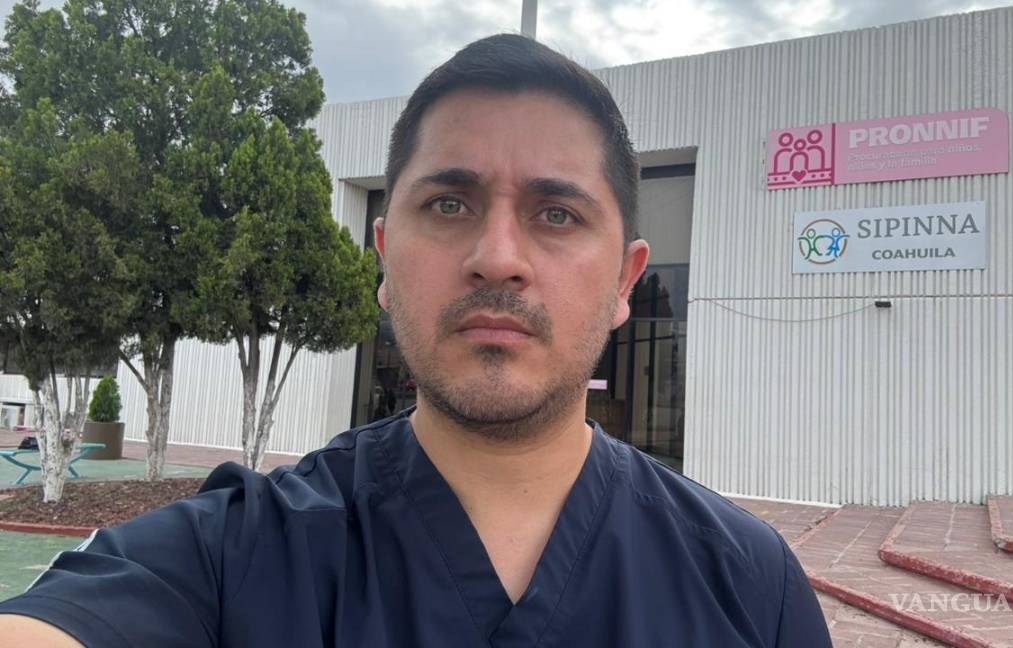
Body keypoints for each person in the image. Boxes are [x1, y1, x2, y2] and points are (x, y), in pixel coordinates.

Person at [0, 34, 831, 647]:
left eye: (556, 213)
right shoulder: (232, 558)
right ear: (386, 261)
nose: (497, 257)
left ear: (624, 280)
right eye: (449, 204)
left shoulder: (749, 584)